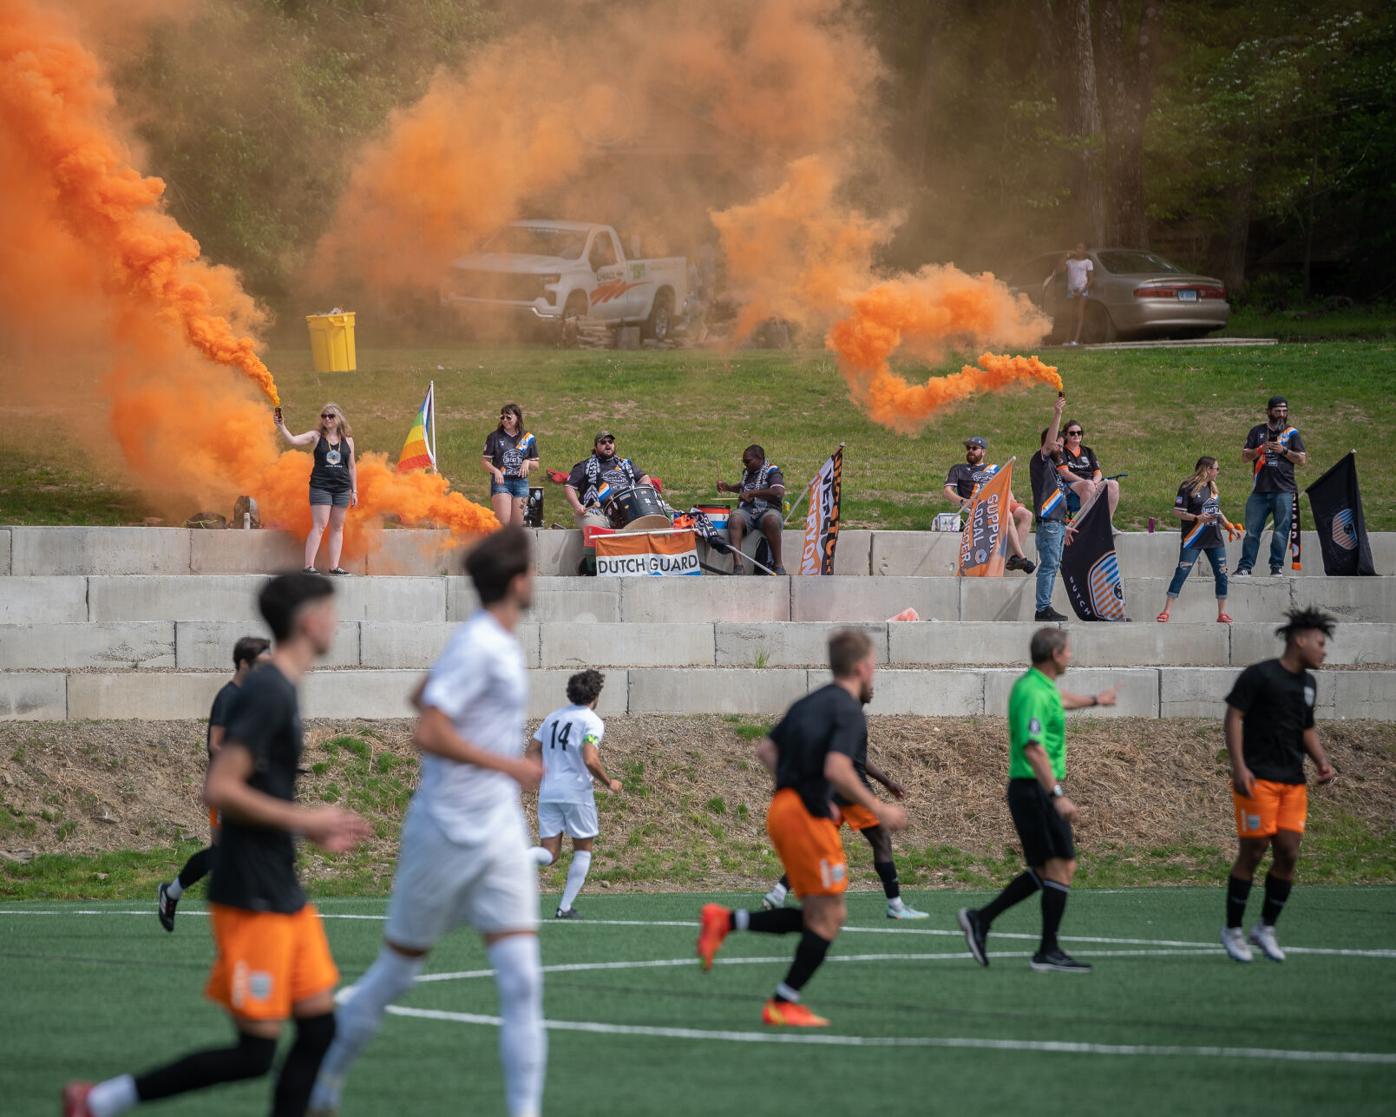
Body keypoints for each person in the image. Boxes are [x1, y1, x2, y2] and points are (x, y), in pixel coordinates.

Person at [64, 574, 372, 1117]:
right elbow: (220, 786)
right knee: (256, 1053)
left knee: (320, 1028)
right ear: (308, 620)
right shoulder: (268, 690)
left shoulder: (283, 686)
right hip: (250, 894)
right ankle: (101, 1101)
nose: (337, 622)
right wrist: (308, 819)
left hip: (282, 889)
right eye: (331, 610)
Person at [308, 527, 546, 1117]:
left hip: (498, 834)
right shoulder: (483, 645)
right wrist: (509, 764)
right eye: (532, 572)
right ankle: (322, 1086)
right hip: (444, 830)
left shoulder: (489, 641)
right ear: (517, 582)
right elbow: (428, 730)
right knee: (396, 975)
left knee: (522, 982)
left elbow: (425, 696)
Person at [696, 630, 908, 1028]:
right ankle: (782, 1002)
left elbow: (766, 751)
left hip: (782, 809)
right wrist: (880, 808)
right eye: (874, 666)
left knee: (822, 913)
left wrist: (798, 786)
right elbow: (838, 769)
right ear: (862, 667)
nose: (873, 673)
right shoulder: (847, 709)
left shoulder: (810, 701)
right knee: (828, 918)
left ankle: (726, 922)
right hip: (806, 816)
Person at [957, 627, 1116, 973]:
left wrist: (1094, 700)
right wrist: (1057, 795)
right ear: (1055, 655)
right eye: (1067, 651)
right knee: (1061, 867)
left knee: (1050, 869)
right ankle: (1046, 951)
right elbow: (1032, 748)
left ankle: (981, 919)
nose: (1071, 655)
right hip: (1035, 789)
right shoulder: (1032, 691)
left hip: (1036, 789)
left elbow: (1059, 701)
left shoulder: (1040, 687)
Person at [1220, 608, 1336, 964]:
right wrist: (1239, 766)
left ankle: (1265, 927)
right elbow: (1233, 717)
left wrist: (1321, 761)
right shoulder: (1260, 676)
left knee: (1288, 852)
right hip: (1258, 779)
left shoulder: (1308, 685)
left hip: (1293, 783)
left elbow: (1306, 728)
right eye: (1320, 643)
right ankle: (1233, 929)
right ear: (1299, 640)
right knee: (1253, 853)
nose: (1323, 650)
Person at [158, 635, 271, 932]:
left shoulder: (256, 697)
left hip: (248, 787)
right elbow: (216, 744)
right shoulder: (229, 697)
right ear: (244, 663)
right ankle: (172, 893)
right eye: (261, 664)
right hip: (225, 787)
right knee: (223, 853)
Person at [760, 733, 927, 920]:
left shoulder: (832, 714)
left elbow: (856, 755)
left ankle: (778, 893)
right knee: (881, 840)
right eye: (870, 699)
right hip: (851, 790)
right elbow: (851, 759)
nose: (872, 700)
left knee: (816, 847)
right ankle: (895, 905)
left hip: (829, 791)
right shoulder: (847, 712)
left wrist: (886, 781)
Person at [525, 669, 622, 919]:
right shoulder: (592, 721)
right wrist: (608, 782)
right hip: (576, 792)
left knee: (549, 853)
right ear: (595, 695)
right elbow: (590, 758)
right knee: (583, 848)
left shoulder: (553, 718)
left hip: (549, 791)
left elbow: (532, 748)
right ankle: (564, 908)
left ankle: (515, 859)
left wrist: (539, 773)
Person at [276, 404, 357, 575]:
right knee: (320, 525)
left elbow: (351, 467)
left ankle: (334, 566)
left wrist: (354, 491)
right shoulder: (316, 436)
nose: (326, 419)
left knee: (337, 527)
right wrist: (282, 425)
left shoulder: (348, 440)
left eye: (330, 416)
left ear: (338, 419)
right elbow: (293, 440)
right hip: (321, 486)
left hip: (342, 488)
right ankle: (308, 566)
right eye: (324, 416)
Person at [1157, 456, 1236, 624]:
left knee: (1222, 573)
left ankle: (1222, 613)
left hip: (1214, 538)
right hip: (1193, 538)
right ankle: (1166, 610)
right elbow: (1177, 512)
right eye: (1216, 468)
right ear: (1207, 469)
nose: (1218, 472)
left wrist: (1229, 526)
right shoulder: (1187, 487)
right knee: (1182, 571)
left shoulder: (1213, 488)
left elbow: (1217, 511)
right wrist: (1196, 518)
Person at [942, 436, 1035, 574]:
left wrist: (1012, 499)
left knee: (1027, 515)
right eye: (968, 448)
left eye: (974, 448)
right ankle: (1022, 557)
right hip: (980, 505)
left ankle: (1013, 558)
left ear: (983, 452)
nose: (970, 451)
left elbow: (1006, 488)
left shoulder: (994, 468)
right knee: (1007, 516)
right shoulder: (958, 469)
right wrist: (963, 501)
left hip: (1000, 499)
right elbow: (947, 492)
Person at [1237, 396, 1307, 578]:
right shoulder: (1257, 431)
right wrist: (1261, 449)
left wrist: (1282, 450)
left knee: (1281, 532)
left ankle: (1276, 567)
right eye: (1277, 411)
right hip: (1259, 491)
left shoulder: (1292, 433)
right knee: (1252, 531)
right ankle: (1245, 567)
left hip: (1284, 490)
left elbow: (1302, 459)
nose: (1281, 415)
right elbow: (1244, 457)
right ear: (1268, 411)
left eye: (1285, 411)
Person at [1030, 394, 1070, 621]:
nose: (1059, 447)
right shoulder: (1040, 461)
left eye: (1062, 445)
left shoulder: (1056, 468)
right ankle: (1042, 608)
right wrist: (1058, 413)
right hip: (1049, 524)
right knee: (1049, 566)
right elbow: (1049, 444)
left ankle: (1045, 607)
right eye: (1057, 443)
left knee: (1053, 565)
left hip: (1058, 524)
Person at [718, 444, 788, 575]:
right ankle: (738, 566)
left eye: (748, 461)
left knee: (772, 520)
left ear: (760, 458)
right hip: (748, 512)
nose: (745, 464)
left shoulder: (772, 470)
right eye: (743, 461)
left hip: (768, 509)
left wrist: (753, 494)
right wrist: (727, 487)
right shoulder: (747, 472)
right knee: (735, 518)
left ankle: (778, 565)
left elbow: (778, 491)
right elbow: (744, 487)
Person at [564, 431, 651, 533]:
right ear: (595, 447)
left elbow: (645, 478)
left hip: (629, 510)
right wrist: (578, 506)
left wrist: (641, 497)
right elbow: (569, 487)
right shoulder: (583, 466)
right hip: (597, 512)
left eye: (610, 441)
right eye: (603, 442)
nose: (608, 444)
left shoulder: (626, 464)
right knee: (595, 529)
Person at [482, 402, 538, 528]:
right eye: (502, 417)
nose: (505, 420)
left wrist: (527, 462)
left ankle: (513, 548)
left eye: (508, 417)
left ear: (517, 417)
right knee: (504, 524)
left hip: (521, 483)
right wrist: (496, 471)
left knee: (516, 528)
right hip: (502, 483)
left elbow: (536, 466)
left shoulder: (528, 438)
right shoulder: (494, 437)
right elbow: (485, 462)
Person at [1059, 420, 1119, 521]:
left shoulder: (1087, 451)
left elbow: (1098, 472)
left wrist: (1095, 482)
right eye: (1072, 433)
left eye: (1079, 432)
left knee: (1113, 484)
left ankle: (1107, 524)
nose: (1076, 435)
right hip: (1070, 486)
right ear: (1066, 435)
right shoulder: (1062, 451)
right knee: (1088, 484)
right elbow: (1065, 473)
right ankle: (1088, 524)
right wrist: (1085, 482)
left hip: (1091, 483)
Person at [1047, 242, 1093, 345]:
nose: (1078, 250)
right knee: (1070, 316)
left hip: (1082, 290)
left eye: (1081, 248)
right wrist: (1065, 256)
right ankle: (1067, 339)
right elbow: (1060, 270)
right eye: (1077, 247)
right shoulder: (1070, 262)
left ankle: (1076, 340)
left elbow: (1091, 280)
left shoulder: (1087, 262)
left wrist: (1082, 291)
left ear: (1084, 250)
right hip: (1071, 291)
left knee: (1079, 315)